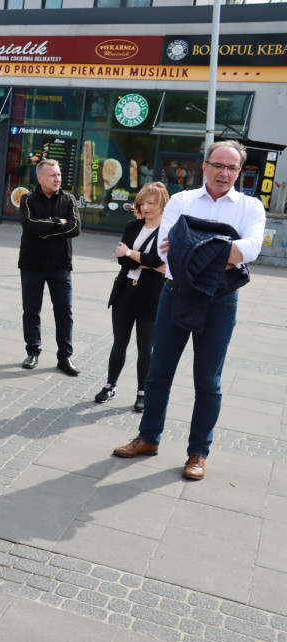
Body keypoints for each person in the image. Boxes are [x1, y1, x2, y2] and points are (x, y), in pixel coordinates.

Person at [113, 141, 264, 481]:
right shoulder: (181, 201)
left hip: (220, 301)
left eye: (232, 168)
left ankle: (199, 452)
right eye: (218, 165)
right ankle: (148, 438)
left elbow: (252, 248)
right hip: (175, 293)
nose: (224, 173)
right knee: (158, 372)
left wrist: (193, 245)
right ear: (205, 166)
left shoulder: (250, 207)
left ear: (239, 171)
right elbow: (168, 250)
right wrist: (222, 249)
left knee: (207, 380)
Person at [96, 182, 169, 412]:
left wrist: (131, 253)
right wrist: (140, 259)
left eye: (151, 203)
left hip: (150, 294)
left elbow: (159, 260)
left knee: (145, 346)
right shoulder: (132, 225)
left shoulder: (167, 230)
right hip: (124, 291)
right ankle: (110, 386)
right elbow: (123, 260)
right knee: (120, 341)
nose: (146, 207)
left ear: (161, 203)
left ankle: (142, 392)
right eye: (142, 203)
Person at [18, 158, 81, 375]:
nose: (58, 179)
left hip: (60, 265)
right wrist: (57, 222)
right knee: (31, 310)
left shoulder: (69, 200)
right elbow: (28, 225)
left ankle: (64, 357)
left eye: (59, 174)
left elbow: (74, 228)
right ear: (40, 177)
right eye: (53, 175)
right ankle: (32, 351)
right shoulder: (27, 198)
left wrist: (43, 230)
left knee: (64, 312)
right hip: (31, 264)